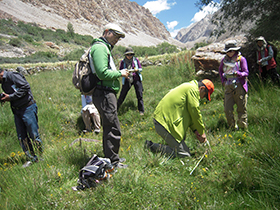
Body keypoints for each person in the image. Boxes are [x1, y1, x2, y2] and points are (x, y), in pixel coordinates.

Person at [90, 23, 129, 169]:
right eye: (116, 36)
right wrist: (121, 73)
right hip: (104, 93)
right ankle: (112, 162)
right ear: (107, 32)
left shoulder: (103, 47)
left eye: (119, 38)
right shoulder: (100, 48)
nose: (117, 40)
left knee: (111, 126)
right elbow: (102, 73)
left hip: (105, 93)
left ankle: (112, 157)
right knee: (112, 127)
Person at [145, 79, 214, 158]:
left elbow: (190, 115)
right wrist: (202, 132)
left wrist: (196, 131)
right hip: (164, 123)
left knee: (181, 147)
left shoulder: (189, 88)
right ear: (201, 88)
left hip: (165, 122)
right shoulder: (192, 90)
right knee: (184, 155)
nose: (202, 98)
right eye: (204, 95)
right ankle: (152, 146)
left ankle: (170, 147)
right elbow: (195, 112)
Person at [0, 68, 43, 167]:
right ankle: (31, 158)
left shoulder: (13, 76)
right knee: (22, 136)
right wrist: (5, 98)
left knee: (33, 134)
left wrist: (10, 97)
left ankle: (40, 156)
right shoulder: (3, 83)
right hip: (17, 110)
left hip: (27, 108)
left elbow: (25, 87)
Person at [219, 40, 249, 130]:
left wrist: (238, 74)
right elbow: (220, 71)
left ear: (235, 50)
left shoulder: (241, 59)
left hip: (239, 85)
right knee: (227, 108)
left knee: (241, 108)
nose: (229, 53)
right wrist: (223, 80)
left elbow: (246, 72)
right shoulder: (224, 60)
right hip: (228, 86)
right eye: (228, 51)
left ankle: (243, 128)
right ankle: (232, 127)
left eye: (231, 51)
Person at [117, 47, 144, 115]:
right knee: (122, 95)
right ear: (125, 55)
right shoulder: (123, 62)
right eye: (128, 55)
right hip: (127, 79)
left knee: (139, 94)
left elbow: (141, 69)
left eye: (131, 55)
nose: (129, 56)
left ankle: (141, 110)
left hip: (136, 79)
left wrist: (137, 70)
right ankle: (116, 109)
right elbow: (120, 71)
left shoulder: (136, 60)